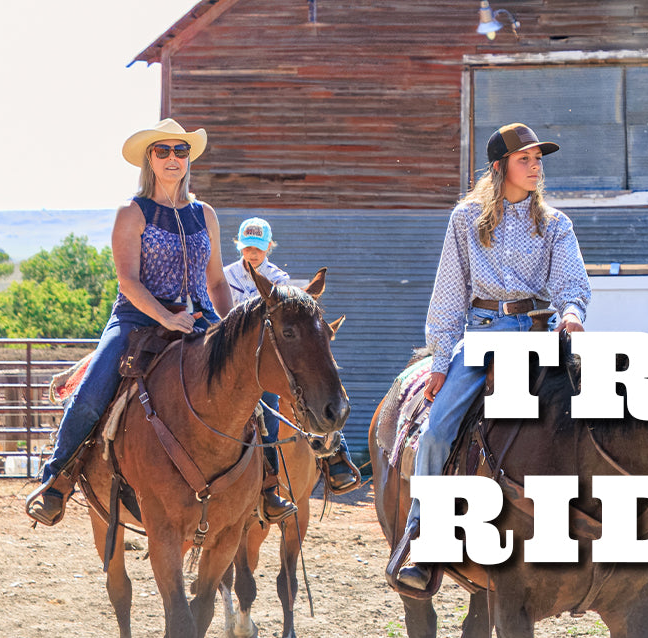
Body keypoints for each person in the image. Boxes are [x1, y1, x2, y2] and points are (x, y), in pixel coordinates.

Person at [25, 119, 293, 525]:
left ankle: (269, 485)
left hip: (200, 321)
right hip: (136, 321)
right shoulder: (132, 213)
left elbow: (217, 280)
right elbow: (128, 281)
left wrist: (230, 328)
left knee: (261, 385)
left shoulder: (205, 214)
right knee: (94, 389)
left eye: (180, 151)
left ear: (188, 160)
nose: (172, 158)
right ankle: (55, 482)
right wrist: (167, 316)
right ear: (149, 159)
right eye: (163, 151)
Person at [387, 122, 590, 593]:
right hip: (483, 335)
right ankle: (424, 536)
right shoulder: (466, 219)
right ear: (500, 167)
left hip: (541, 331)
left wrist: (574, 313)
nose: (536, 166)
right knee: (438, 429)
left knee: (598, 414)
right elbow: (449, 291)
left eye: (539, 159)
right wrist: (440, 361)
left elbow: (571, 283)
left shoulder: (556, 224)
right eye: (526, 159)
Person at [221, 217, 363, 496]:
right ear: (239, 246)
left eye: (258, 248)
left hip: (270, 357)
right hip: (235, 357)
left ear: (269, 247)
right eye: (248, 247)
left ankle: (331, 454)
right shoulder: (225, 276)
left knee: (296, 393)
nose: (253, 252)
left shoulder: (278, 278)